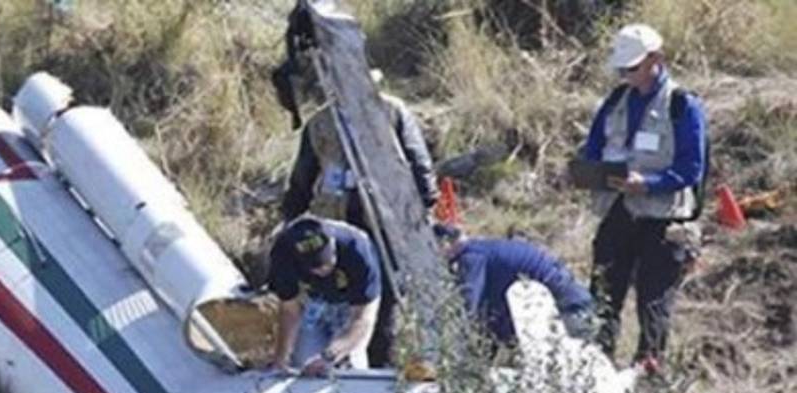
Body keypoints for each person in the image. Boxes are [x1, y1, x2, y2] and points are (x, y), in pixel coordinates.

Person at [281, 75, 439, 368]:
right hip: (335, 224)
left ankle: (379, 363)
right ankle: (337, 360)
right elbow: (303, 175)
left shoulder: (392, 112)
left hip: (385, 224)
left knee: (383, 298)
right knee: (337, 296)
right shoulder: (321, 123)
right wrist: (291, 218)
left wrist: (424, 205)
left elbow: (418, 161)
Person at [581, 23, 708, 364]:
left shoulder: (682, 106)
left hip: (663, 220)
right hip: (619, 211)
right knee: (603, 296)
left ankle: (648, 377)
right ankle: (595, 370)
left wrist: (649, 183)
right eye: (621, 69)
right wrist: (589, 173)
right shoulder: (614, 101)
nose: (626, 75)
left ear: (656, 59)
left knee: (653, 304)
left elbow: (691, 168)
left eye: (632, 67)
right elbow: (592, 149)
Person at [434, 225, 595, 346]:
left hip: (566, 304)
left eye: (439, 248)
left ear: (447, 243)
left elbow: (468, 304)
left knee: (572, 359)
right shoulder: (486, 248)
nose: (441, 256)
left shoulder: (471, 257)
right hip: (572, 295)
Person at [268, 214, 381, 376]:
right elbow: (289, 310)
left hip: (352, 303)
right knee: (303, 361)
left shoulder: (358, 249)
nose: (323, 269)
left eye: (327, 262)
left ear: (333, 245)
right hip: (315, 299)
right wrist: (280, 360)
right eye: (315, 266)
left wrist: (330, 355)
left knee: (348, 364)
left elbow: (363, 319)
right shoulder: (282, 255)